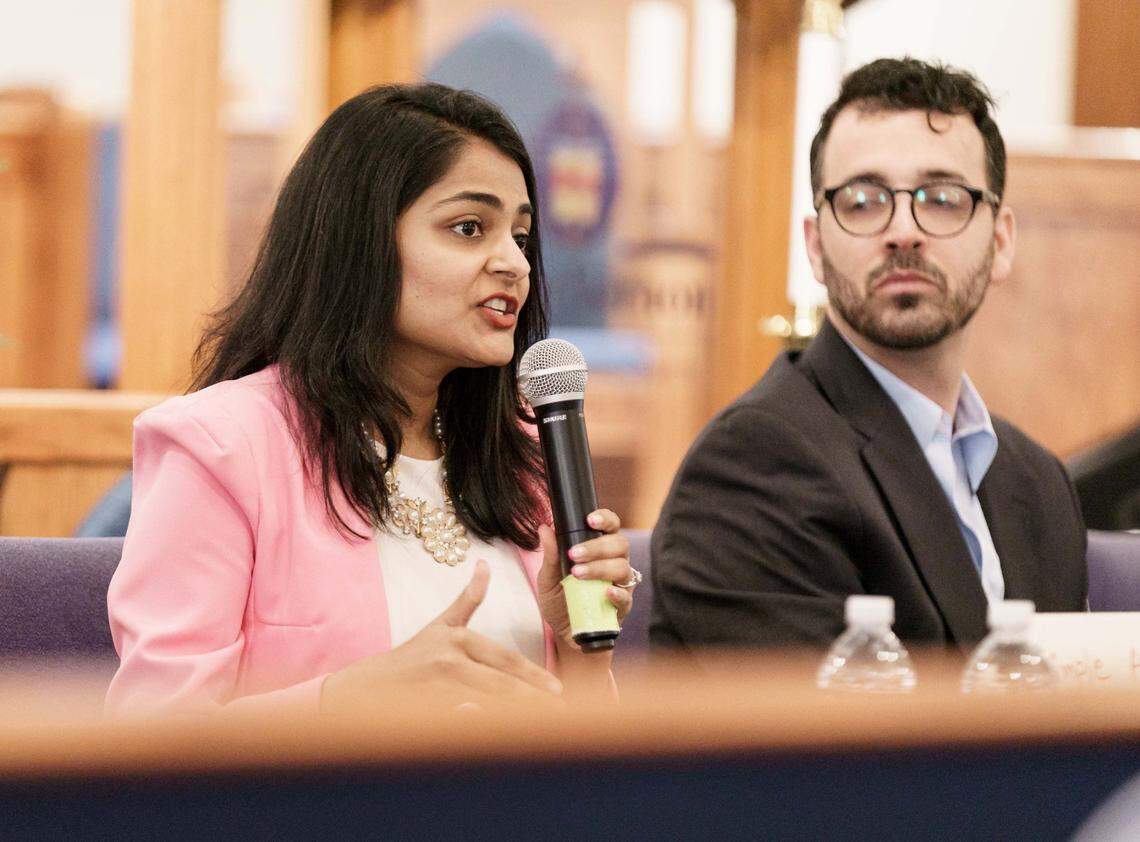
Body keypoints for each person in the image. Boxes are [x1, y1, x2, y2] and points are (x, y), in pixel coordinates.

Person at [106, 84, 636, 716]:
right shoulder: (222, 447)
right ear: (359, 241)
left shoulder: (522, 451)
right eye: (470, 228)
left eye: (520, 236)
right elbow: (149, 742)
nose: (514, 265)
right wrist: (350, 700)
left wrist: (580, 650)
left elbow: (582, 753)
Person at [650, 58, 1086, 653]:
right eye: (862, 200)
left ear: (1001, 240)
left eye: (941, 198)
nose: (903, 230)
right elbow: (833, 743)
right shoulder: (753, 466)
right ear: (816, 248)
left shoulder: (1038, 482)